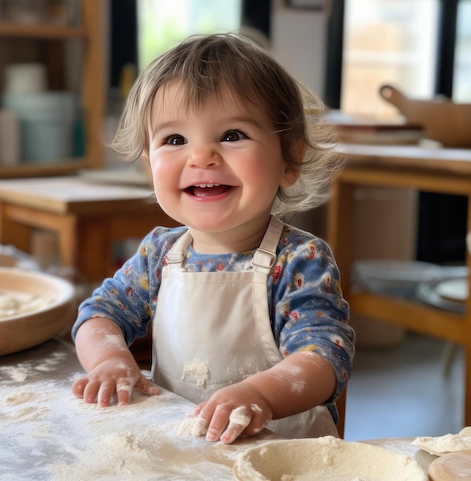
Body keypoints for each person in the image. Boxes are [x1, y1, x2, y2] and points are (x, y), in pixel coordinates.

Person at [71, 33, 355, 444]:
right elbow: (98, 314)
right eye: (174, 140)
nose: (201, 156)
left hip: (282, 457)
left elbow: (324, 357)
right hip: (184, 452)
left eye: (233, 134)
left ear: (289, 159)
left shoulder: (298, 260)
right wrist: (110, 360)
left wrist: (260, 394)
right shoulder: (160, 254)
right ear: (149, 162)